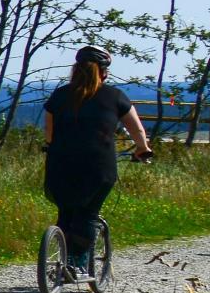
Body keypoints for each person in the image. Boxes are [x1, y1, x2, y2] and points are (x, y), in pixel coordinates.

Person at [41, 43, 152, 272]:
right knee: (87, 213)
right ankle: (77, 262)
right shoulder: (115, 96)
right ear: (104, 72)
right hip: (98, 166)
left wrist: (56, 146)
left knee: (66, 210)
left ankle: (61, 256)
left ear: (76, 69)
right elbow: (138, 131)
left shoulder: (60, 95)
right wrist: (142, 149)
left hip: (60, 164)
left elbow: (49, 134)